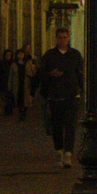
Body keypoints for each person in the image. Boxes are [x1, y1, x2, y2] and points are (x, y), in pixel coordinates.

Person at [35, 27, 86, 167]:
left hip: (71, 95)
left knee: (70, 125)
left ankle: (68, 154)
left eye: (64, 37)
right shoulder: (50, 55)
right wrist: (51, 74)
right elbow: (40, 73)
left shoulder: (75, 55)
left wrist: (82, 90)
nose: (62, 40)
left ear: (69, 38)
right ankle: (59, 150)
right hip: (55, 96)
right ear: (56, 39)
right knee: (57, 126)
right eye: (60, 37)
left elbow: (80, 73)